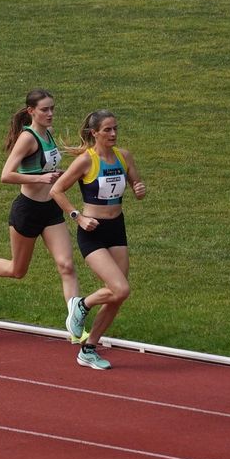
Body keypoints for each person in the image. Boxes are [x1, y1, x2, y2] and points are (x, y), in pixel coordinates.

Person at [0, 89, 83, 316]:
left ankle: (75, 323)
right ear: (31, 111)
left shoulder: (49, 133)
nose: (50, 114)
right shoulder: (27, 138)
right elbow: (6, 175)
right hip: (27, 210)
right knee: (17, 270)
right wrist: (40, 177)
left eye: (52, 109)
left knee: (67, 266)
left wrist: (57, 174)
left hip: (51, 209)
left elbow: (47, 167)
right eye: (45, 110)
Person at [50, 109, 146, 370]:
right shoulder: (85, 161)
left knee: (117, 296)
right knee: (121, 288)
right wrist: (77, 217)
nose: (113, 133)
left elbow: (137, 187)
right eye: (107, 130)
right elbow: (56, 190)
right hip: (92, 230)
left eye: (115, 128)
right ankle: (81, 304)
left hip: (117, 228)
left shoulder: (123, 157)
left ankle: (89, 348)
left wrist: (139, 189)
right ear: (95, 133)